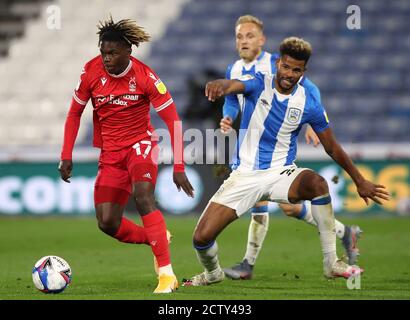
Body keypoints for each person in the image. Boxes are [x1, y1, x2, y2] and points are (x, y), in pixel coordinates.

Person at [182, 36, 389, 286]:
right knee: (201, 238)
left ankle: (331, 262)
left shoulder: (308, 103)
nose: (290, 74)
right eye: (286, 67)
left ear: (304, 71)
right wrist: (220, 85)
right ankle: (213, 273)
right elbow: (235, 85)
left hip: (281, 173)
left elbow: (332, 146)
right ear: (278, 63)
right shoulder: (259, 83)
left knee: (317, 183)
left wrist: (359, 180)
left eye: (297, 69)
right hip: (245, 175)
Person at [58, 16, 194, 293]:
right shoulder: (90, 73)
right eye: (103, 52)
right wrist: (66, 154)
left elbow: (173, 121)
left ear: (128, 52)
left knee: (143, 195)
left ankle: (167, 275)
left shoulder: (146, 77)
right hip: (110, 153)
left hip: (140, 145)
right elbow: (74, 113)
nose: (106, 58)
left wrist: (179, 167)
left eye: (112, 53)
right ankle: (157, 238)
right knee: (107, 222)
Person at [221, 15, 362, 281]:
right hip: (250, 141)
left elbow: (309, 90)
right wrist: (228, 116)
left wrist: (312, 123)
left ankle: (247, 265)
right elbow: (231, 99)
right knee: (290, 207)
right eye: (239, 36)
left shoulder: (276, 63)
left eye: (249, 36)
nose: (244, 41)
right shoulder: (233, 69)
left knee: (262, 201)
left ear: (261, 40)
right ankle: (345, 232)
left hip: (276, 142)